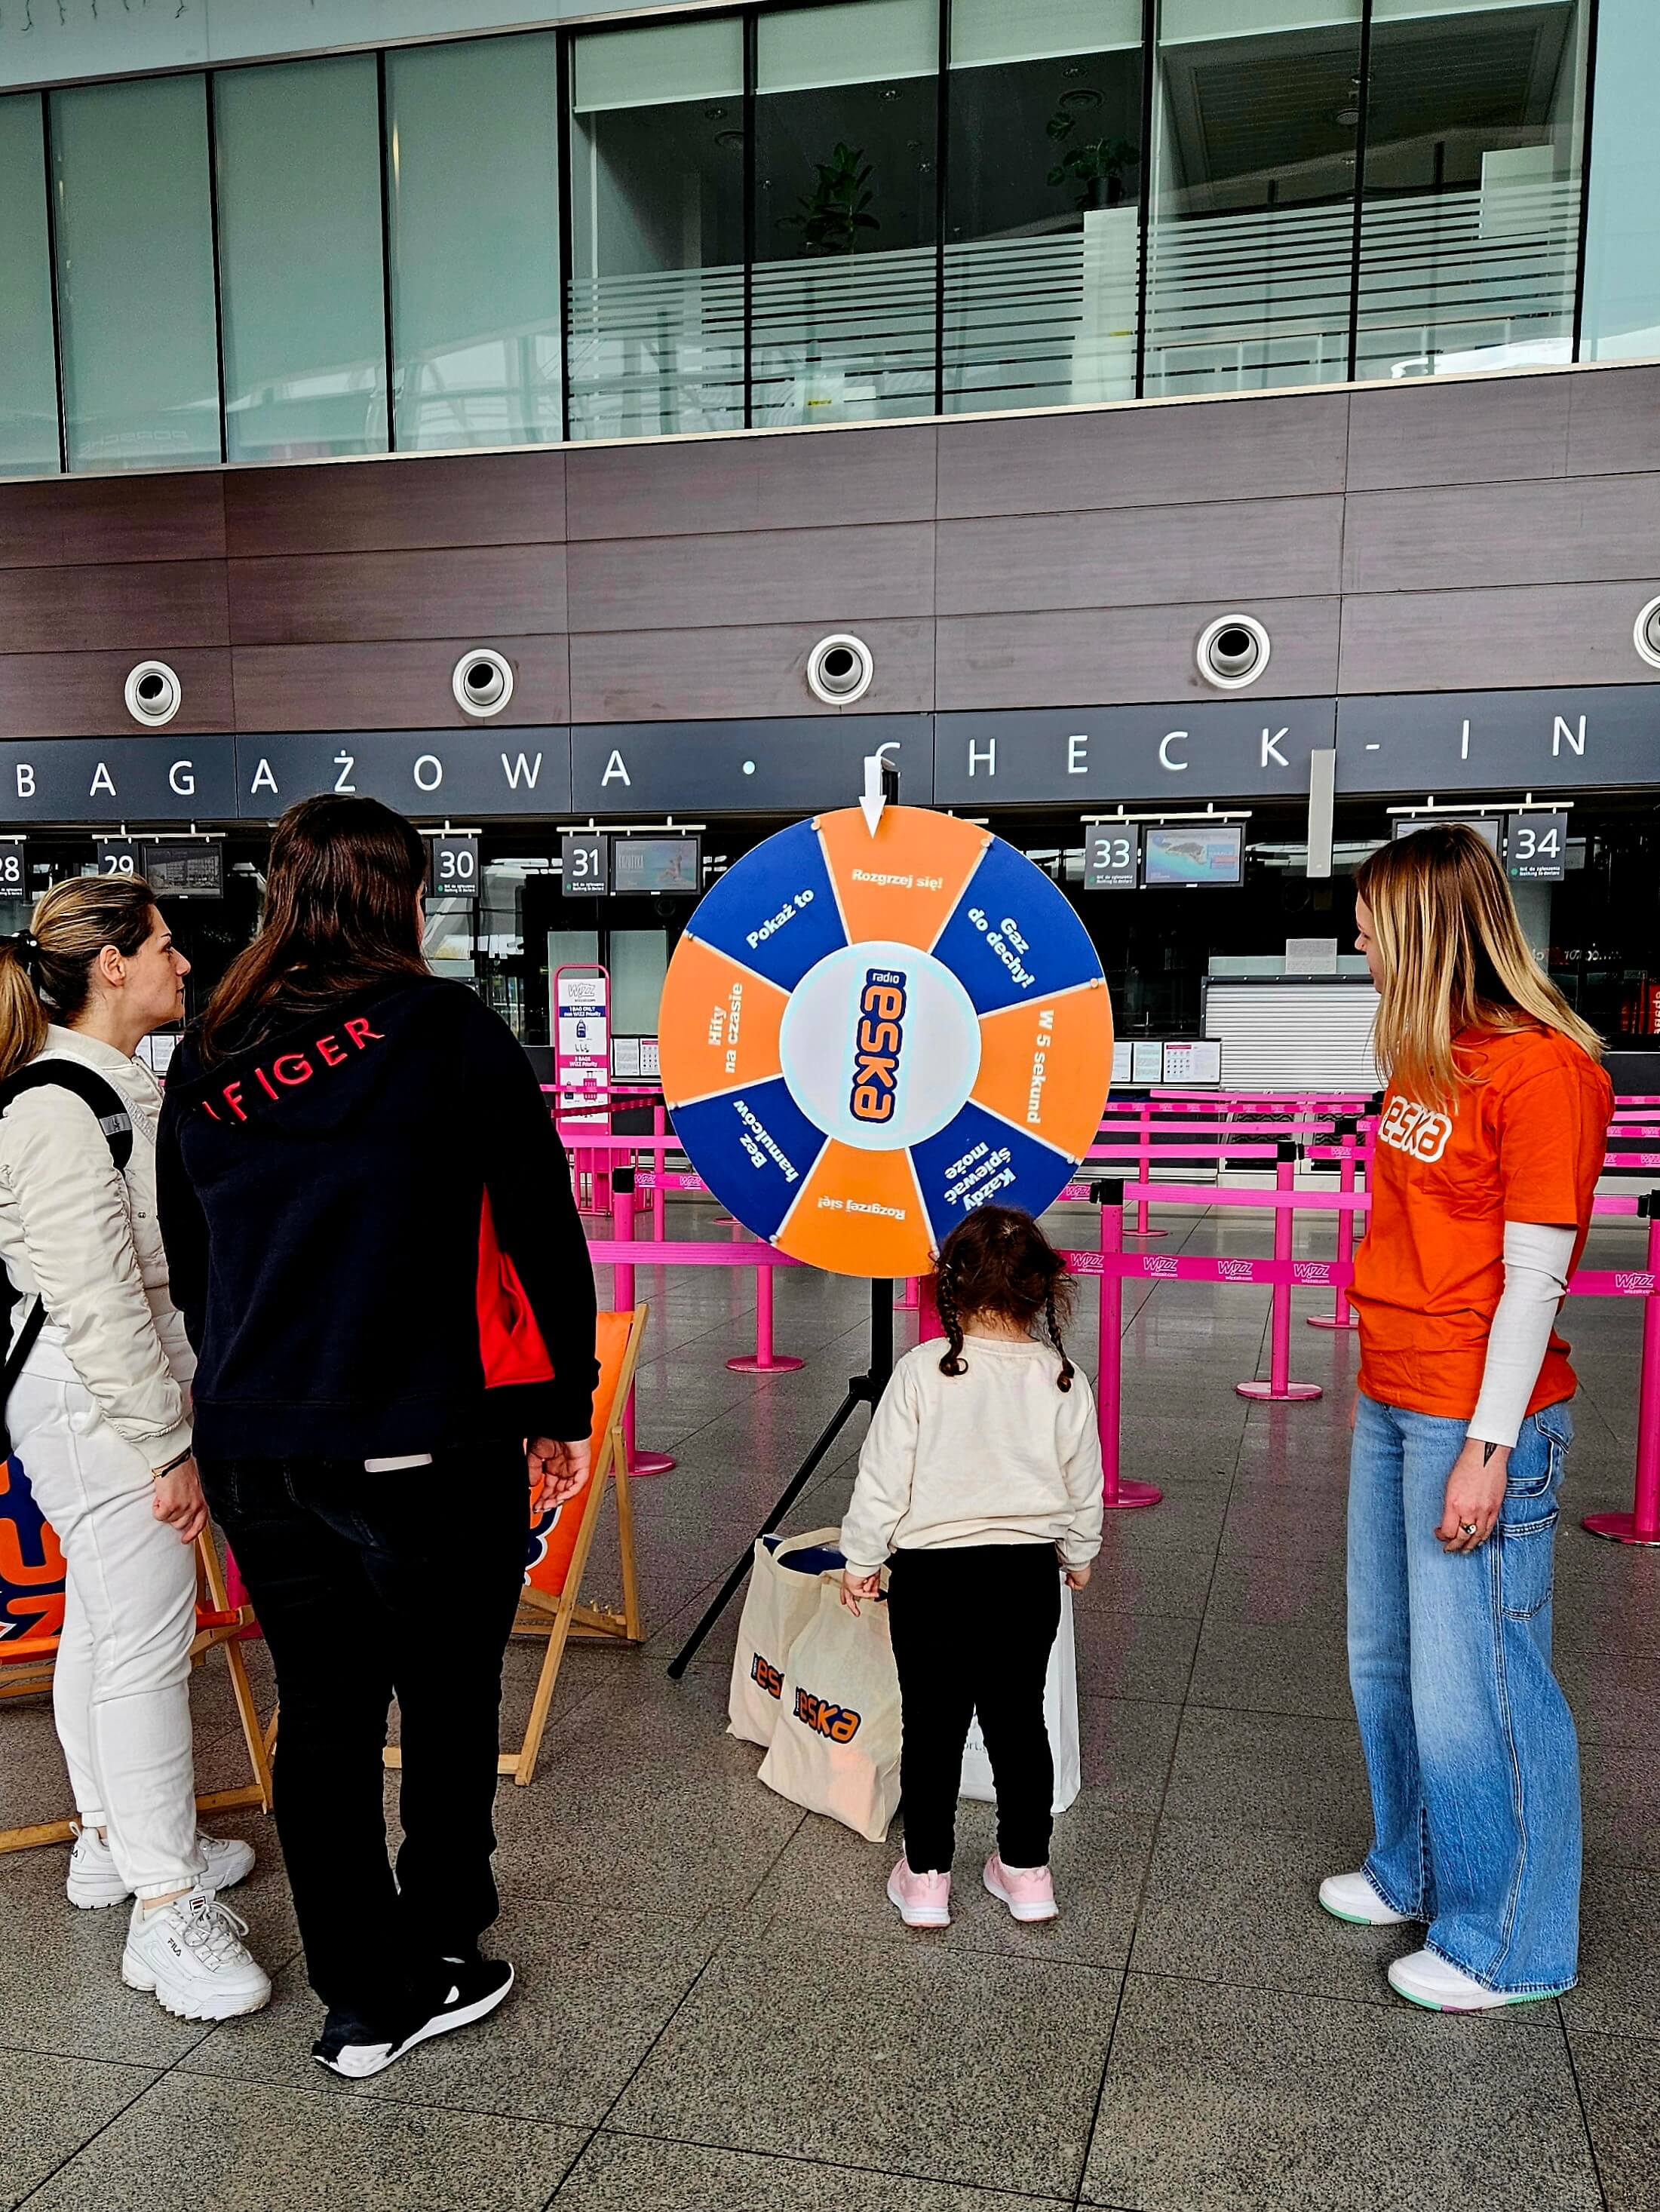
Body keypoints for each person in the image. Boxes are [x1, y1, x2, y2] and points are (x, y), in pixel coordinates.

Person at [155, 795, 598, 2080]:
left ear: (281, 893)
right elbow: (541, 1228)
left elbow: (193, 1259)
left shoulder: (210, 1048)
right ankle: (444, 1934)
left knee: (323, 1707)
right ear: (401, 895)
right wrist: (558, 1409)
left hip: (257, 1441)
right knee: (449, 1692)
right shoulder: (442, 1029)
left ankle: (361, 1993)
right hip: (422, 1435)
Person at [1325, 823, 1613, 2011]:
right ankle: (1417, 1868)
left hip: (1474, 1416)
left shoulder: (1543, 1072)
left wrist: (1488, 1451)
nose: (1357, 944)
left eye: (1370, 928)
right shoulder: (1426, 1056)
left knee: (1482, 1684)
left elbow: (1535, 1278)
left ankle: (1510, 1943)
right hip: (1395, 1394)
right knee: (1386, 1660)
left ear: (1425, 932)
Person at [0, 877, 269, 2023]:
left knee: (108, 1625)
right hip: (100, 1404)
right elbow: (97, 1297)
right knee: (147, 1645)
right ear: (111, 963)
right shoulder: (59, 1105)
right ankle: (166, 1909)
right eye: (163, 944)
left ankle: (113, 1841)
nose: (182, 963)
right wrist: (165, 1444)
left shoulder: (111, 1082)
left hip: (107, 1393)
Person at [838, 1205, 1102, 1930]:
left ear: (949, 1285)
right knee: (1019, 1724)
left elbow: (882, 1481)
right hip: (1025, 1578)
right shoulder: (1061, 1378)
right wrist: (1078, 1555)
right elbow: (1084, 1484)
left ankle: (926, 1878)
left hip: (933, 1580)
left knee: (930, 1729)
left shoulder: (923, 1370)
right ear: (1042, 1290)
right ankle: (1026, 1871)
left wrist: (862, 1559)